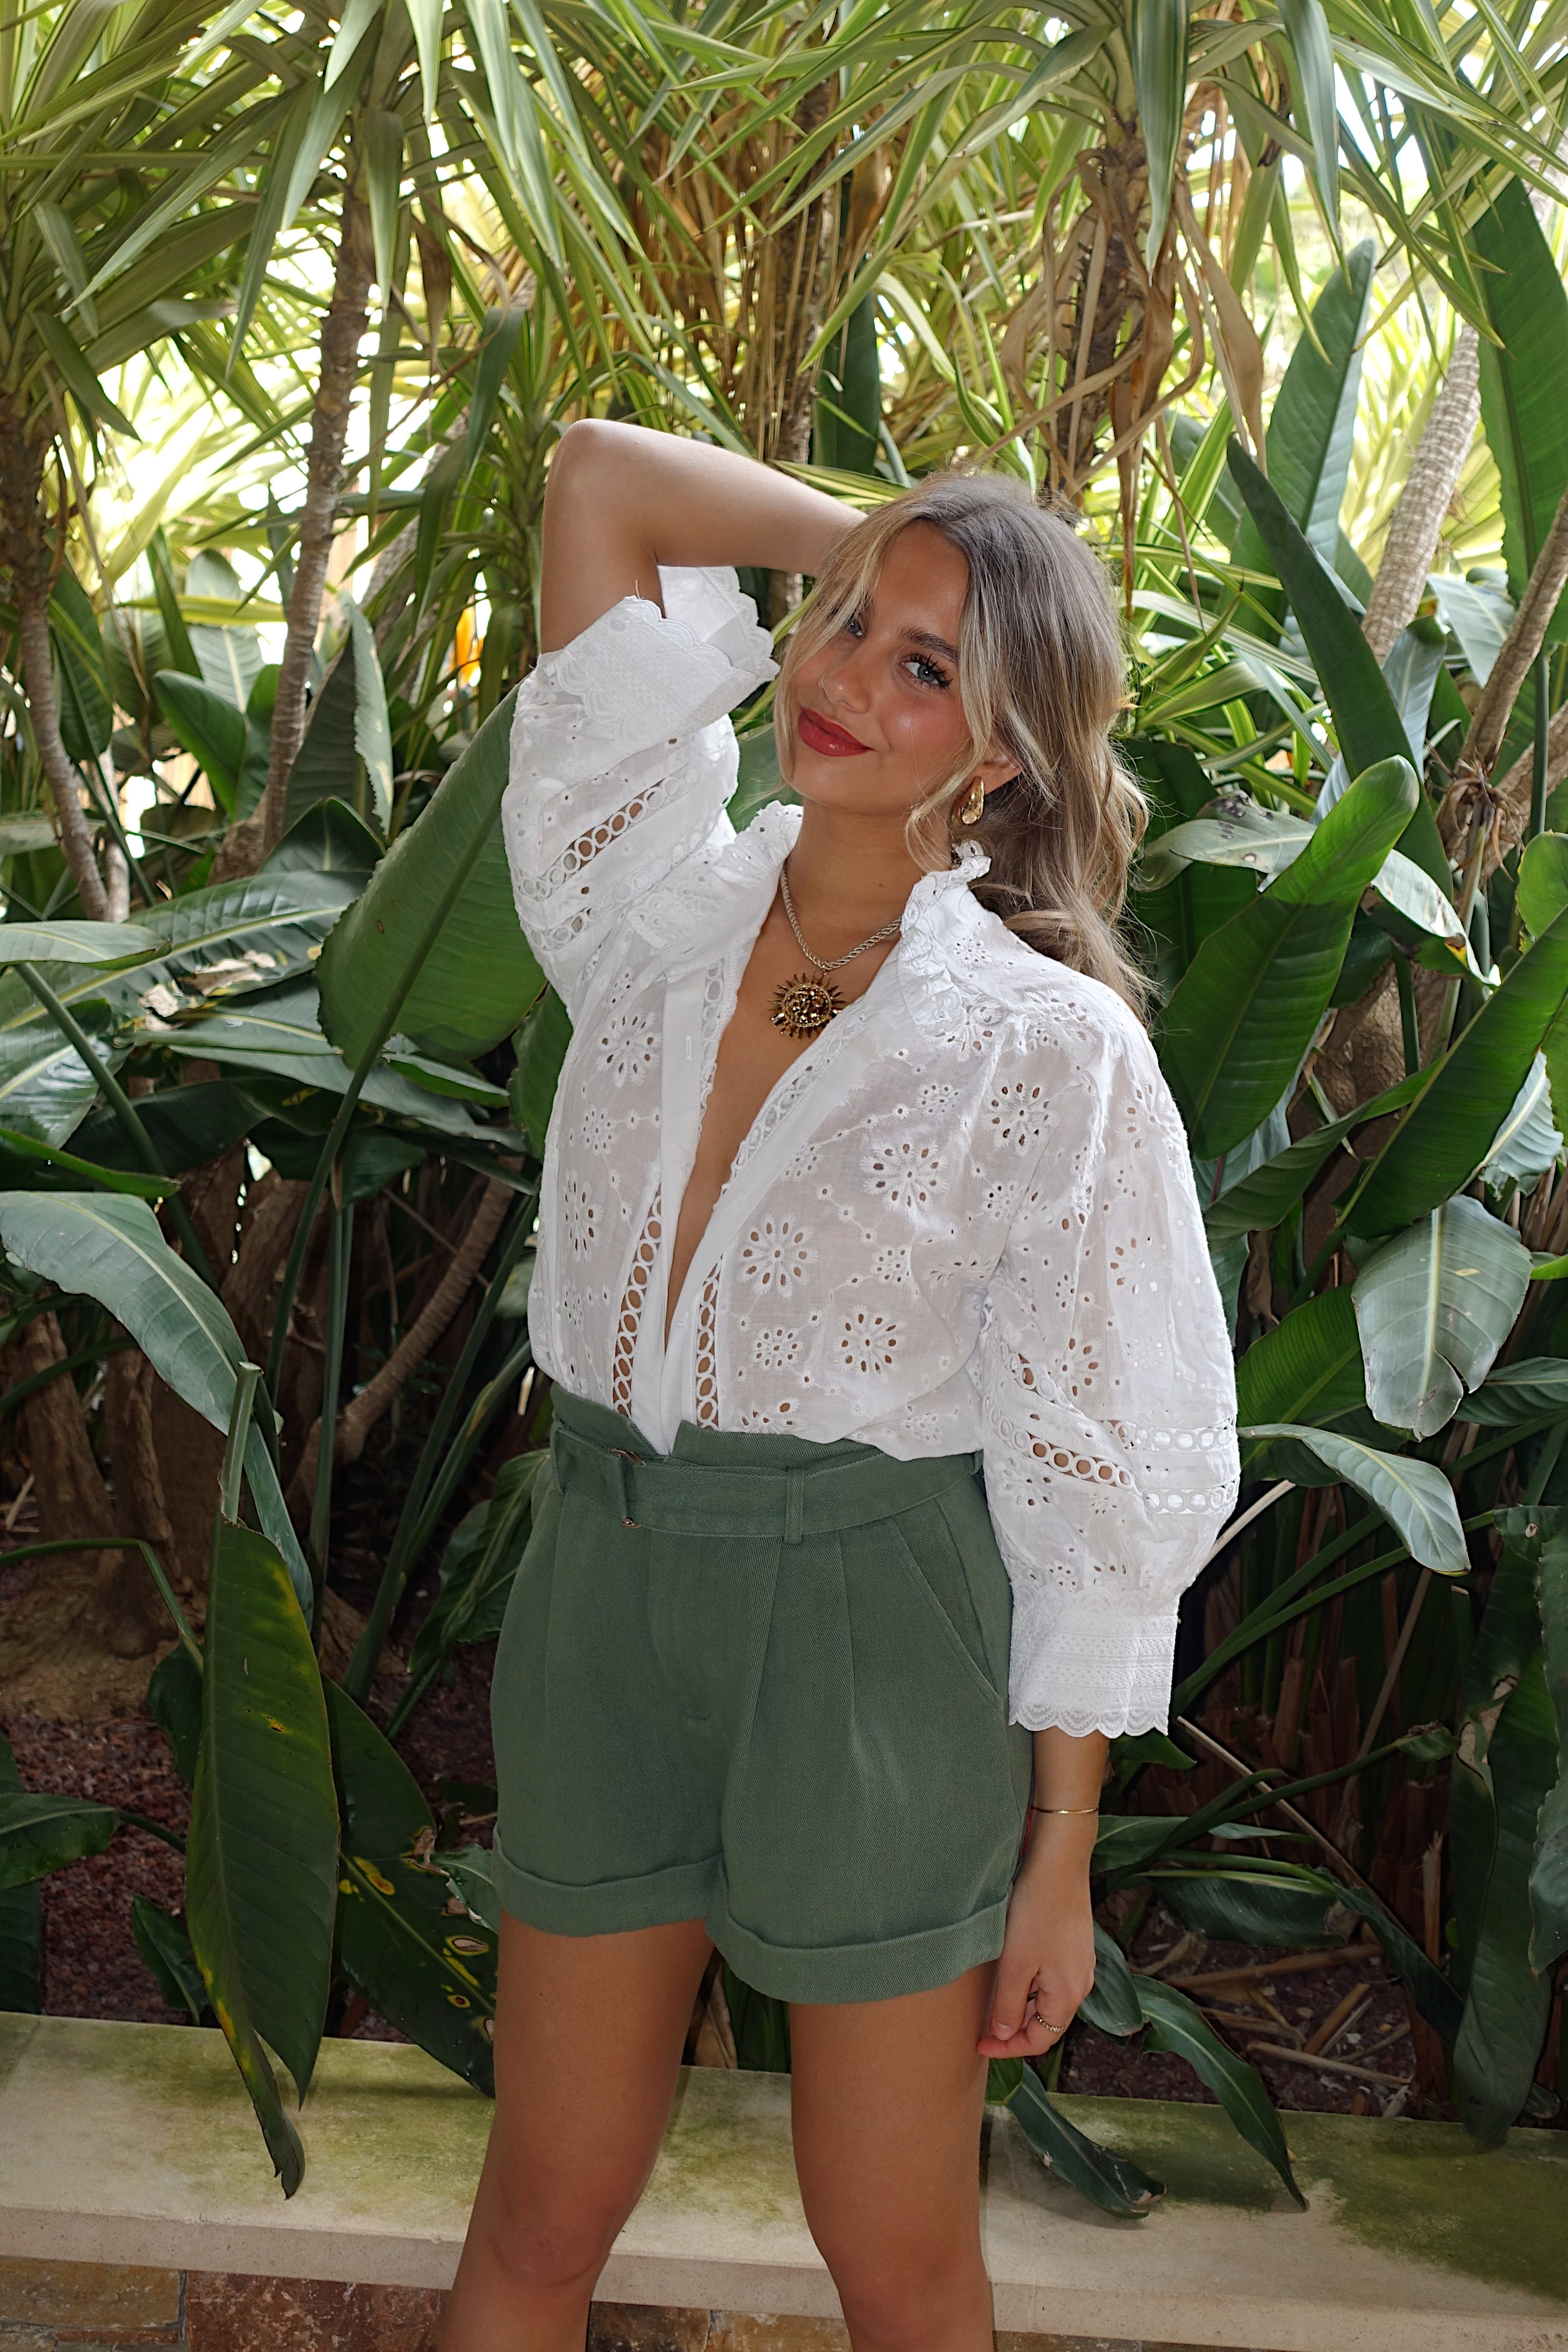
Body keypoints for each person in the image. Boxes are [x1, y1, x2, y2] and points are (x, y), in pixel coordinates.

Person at [438, 423, 1239, 2352]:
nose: (842, 675)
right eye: (848, 622)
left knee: (895, 2258)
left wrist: (1059, 1857)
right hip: (603, 1587)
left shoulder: (1046, 1051)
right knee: (541, 2209)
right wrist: (911, 542)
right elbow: (599, 478)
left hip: (873, 1632)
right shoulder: (646, 904)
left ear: (1005, 756)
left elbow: (1095, 1470)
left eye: (923, 668)